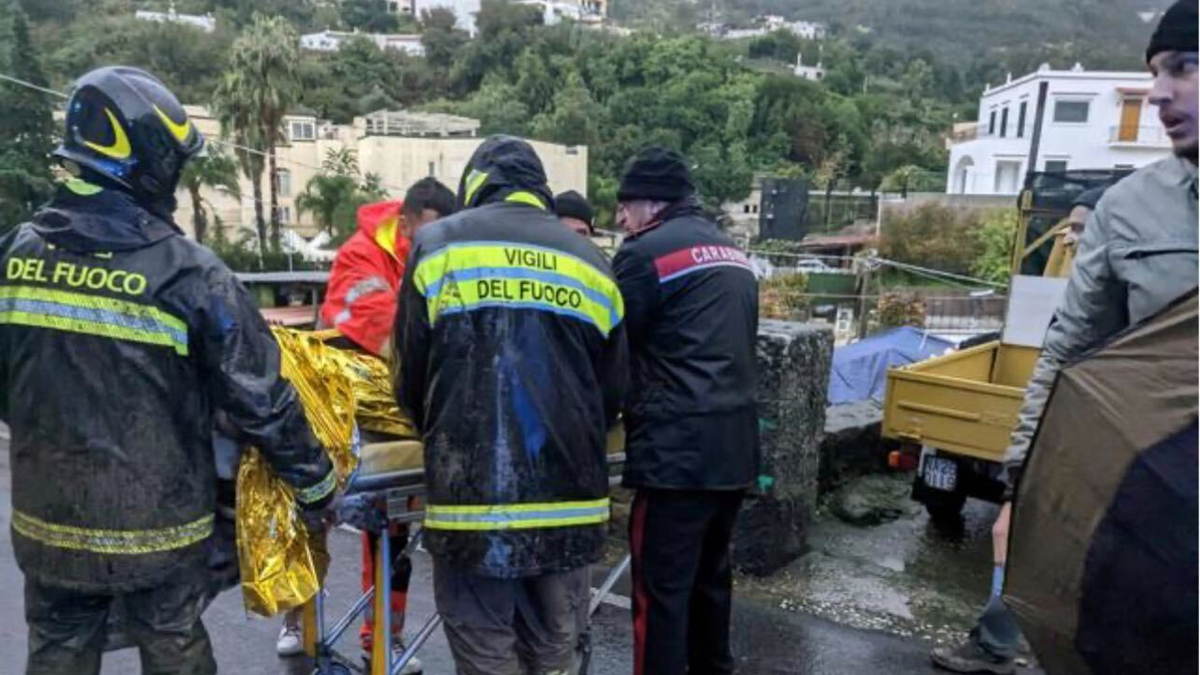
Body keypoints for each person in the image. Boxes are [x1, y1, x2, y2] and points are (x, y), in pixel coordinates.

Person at [0, 66, 336, 675]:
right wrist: (316, 484)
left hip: (46, 525)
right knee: (174, 641)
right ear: (151, 161)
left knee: (56, 648)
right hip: (159, 531)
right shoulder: (189, 273)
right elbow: (261, 398)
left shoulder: (15, 253)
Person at [932, 3, 1198, 673]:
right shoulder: (1132, 209)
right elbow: (1071, 356)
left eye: (1185, 67)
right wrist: (1024, 485)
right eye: (1155, 72)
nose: (1159, 92)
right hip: (1158, 503)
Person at [393, 135, 627, 675]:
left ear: (474, 186)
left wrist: (438, 431)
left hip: (473, 503)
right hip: (571, 502)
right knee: (554, 646)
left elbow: (409, 375)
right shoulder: (593, 260)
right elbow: (612, 392)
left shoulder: (437, 245)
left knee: (485, 648)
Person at [276, 179, 454, 673]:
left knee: (393, 526)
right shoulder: (363, 255)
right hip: (342, 400)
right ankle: (297, 616)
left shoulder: (431, 254)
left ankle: (383, 636)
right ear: (410, 220)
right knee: (313, 513)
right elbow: (379, 326)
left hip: (398, 403)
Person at [611, 147, 759, 675]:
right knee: (710, 586)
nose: (620, 220)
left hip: (676, 455)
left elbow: (612, 345)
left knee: (660, 596)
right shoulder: (735, 254)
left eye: (624, 207)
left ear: (651, 205)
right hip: (735, 450)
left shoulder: (643, 255)